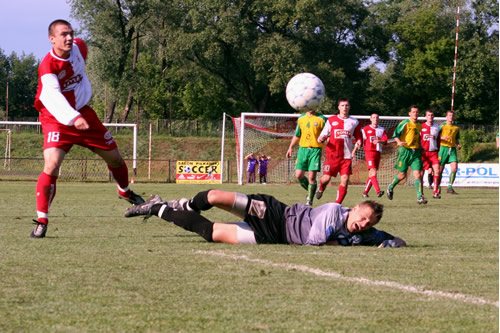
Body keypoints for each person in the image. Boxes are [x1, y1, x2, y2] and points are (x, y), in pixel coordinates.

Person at [31, 20, 144, 238]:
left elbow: (82, 55)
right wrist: (73, 118)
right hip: (56, 118)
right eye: (63, 34)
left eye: (71, 33)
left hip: (85, 114)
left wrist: (79, 112)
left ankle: (124, 191)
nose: (69, 38)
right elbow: (52, 97)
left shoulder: (80, 48)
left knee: (115, 160)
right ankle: (42, 220)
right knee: (52, 165)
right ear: (51, 39)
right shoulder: (48, 67)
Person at [124, 191, 406, 248]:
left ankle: (156, 208)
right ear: (355, 208)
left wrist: (392, 241)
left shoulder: (363, 233)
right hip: (274, 214)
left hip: (272, 237)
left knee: (209, 233)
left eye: (369, 223)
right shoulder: (334, 210)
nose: (364, 224)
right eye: (364, 217)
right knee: (213, 197)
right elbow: (314, 240)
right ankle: (186, 204)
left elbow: (388, 239)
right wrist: (349, 242)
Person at [316, 98, 362, 205]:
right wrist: (321, 138)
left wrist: (359, 142)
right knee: (326, 179)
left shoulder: (354, 122)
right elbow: (322, 135)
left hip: (346, 156)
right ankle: (321, 188)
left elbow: (359, 136)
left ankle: (337, 204)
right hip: (332, 156)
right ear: (338, 107)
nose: (344, 107)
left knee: (345, 179)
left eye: (346, 105)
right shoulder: (331, 120)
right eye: (342, 105)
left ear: (349, 107)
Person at [386, 106, 427, 204]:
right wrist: (399, 142)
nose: (415, 114)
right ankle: (391, 186)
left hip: (415, 152)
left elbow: (418, 138)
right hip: (405, 151)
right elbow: (395, 134)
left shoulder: (419, 126)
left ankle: (419, 197)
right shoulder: (405, 123)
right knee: (402, 175)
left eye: (417, 112)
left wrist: (421, 147)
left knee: (418, 174)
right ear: (409, 113)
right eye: (413, 112)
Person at [286, 109, 327, 206]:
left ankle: (309, 199)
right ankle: (311, 191)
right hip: (302, 150)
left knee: (312, 176)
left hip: (315, 150)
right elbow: (297, 135)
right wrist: (290, 147)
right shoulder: (301, 118)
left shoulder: (322, 119)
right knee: (298, 175)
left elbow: (328, 134)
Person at [360, 113, 388, 198]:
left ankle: (365, 192)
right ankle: (378, 191)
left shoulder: (381, 129)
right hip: (369, 152)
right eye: (374, 117)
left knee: (372, 174)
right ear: (370, 119)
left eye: (377, 117)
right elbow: (360, 140)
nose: (375, 119)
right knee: (373, 172)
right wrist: (354, 150)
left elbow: (385, 141)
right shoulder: (365, 129)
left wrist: (380, 141)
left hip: (378, 152)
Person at [437, 110, 461, 195]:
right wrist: (442, 138)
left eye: (452, 116)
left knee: (454, 168)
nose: (451, 117)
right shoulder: (442, 126)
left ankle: (450, 187)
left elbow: (456, 138)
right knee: (440, 170)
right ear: (446, 117)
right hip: (443, 149)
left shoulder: (456, 128)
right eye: (449, 115)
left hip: (452, 149)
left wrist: (458, 144)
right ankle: (437, 187)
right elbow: (436, 136)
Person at [420, 110, 442, 198]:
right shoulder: (421, 127)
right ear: (426, 116)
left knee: (437, 170)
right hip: (423, 153)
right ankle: (420, 193)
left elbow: (439, 140)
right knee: (421, 173)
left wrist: (438, 150)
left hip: (433, 153)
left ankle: (435, 192)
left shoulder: (437, 127)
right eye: (428, 115)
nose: (430, 117)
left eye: (432, 115)